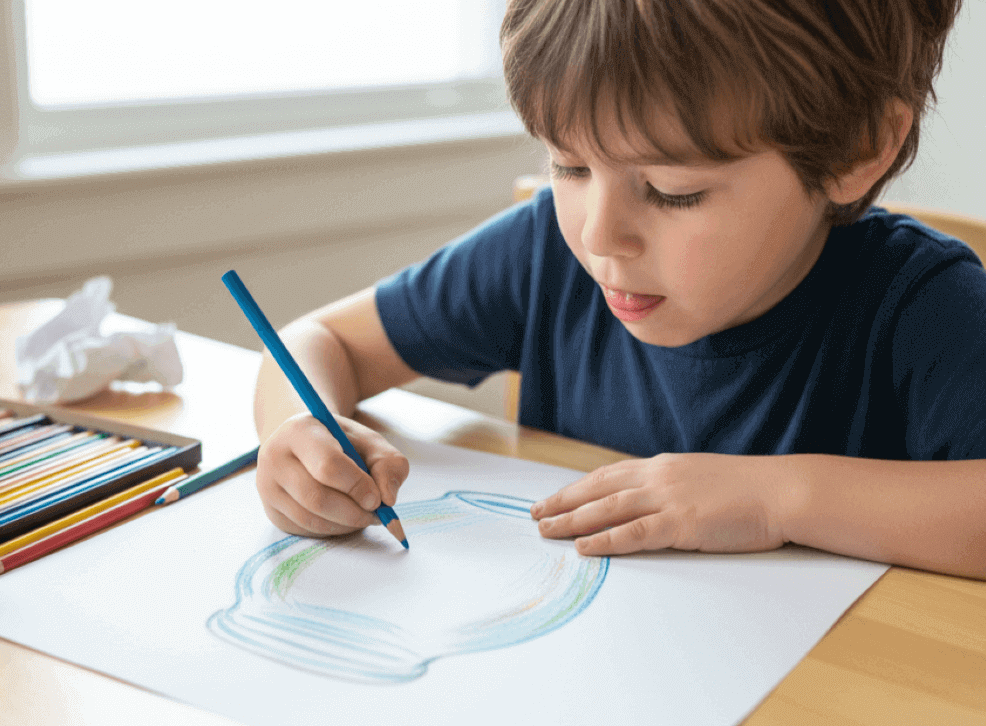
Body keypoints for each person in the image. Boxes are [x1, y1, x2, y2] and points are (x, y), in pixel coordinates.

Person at [252, 0, 986, 579]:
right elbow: (320, 342)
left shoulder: (924, 307)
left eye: (672, 192)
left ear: (858, 146)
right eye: (569, 168)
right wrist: (299, 433)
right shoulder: (545, 250)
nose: (600, 235)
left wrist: (775, 497)